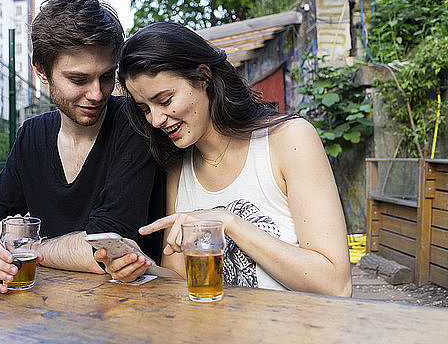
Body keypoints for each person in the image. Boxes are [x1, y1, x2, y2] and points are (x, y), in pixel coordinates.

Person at [96, 22, 352, 297]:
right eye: (145, 108)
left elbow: (336, 284)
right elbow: (182, 277)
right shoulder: (179, 167)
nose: (156, 120)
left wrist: (227, 222)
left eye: (166, 100)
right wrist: (141, 268)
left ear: (203, 77)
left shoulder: (289, 139)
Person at [0, 0, 165, 293]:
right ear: (41, 70)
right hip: (47, 314)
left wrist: (27, 247)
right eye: (78, 80)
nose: (97, 94)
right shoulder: (31, 136)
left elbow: (105, 243)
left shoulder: (135, 123)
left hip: (131, 309)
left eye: (107, 76)